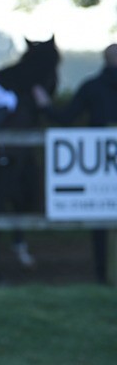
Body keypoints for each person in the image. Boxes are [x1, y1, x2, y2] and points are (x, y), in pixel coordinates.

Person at [52, 44, 117, 282]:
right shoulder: (93, 87)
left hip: (97, 166)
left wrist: (43, 106)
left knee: (100, 218)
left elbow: (66, 118)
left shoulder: (92, 87)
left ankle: (102, 274)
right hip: (100, 163)